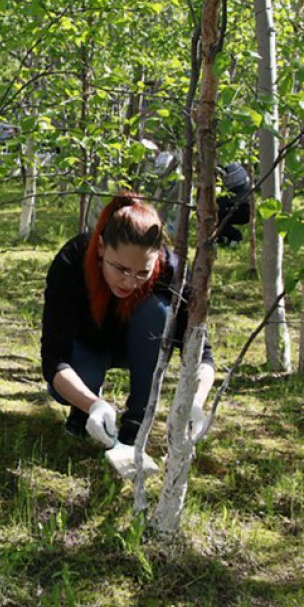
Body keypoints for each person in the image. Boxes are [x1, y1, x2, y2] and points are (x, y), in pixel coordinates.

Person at [41, 193, 215, 476]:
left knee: (158, 313)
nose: (130, 282)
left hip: (141, 346)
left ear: (156, 258)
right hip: (87, 345)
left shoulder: (172, 270)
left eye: (142, 272)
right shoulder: (72, 261)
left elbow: (200, 353)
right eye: (120, 268)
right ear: (100, 248)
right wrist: (93, 404)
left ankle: (136, 425)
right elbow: (53, 359)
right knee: (78, 383)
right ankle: (84, 410)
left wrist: (196, 403)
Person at [215, 161, 252, 246]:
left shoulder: (225, 165)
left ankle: (235, 236)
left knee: (216, 215)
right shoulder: (232, 161)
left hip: (242, 208)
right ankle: (220, 237)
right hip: (244, 205)